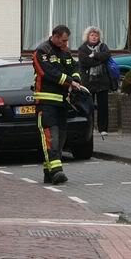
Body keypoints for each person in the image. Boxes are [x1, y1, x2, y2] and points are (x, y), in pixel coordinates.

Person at [33, 24, 83, 185]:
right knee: (51, 137)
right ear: (54, 36)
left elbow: (74, 66)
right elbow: (47, 73)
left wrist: (76, 79)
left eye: (67, 41)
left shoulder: (66, 52)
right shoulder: (42, 52)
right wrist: (69, 81)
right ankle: (56, 171)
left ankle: (49, 172)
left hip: (62, 102)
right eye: (63, 40)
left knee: (60, 138)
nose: (65, 44)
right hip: (46, 103)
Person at [77, 26, 116, 139]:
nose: (94, 37)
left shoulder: (103, 46)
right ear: (87, 36)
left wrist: (94, 55)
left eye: (96, 35)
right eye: (92, 35)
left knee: (103, 106)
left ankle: (103, 128)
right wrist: (99, 61)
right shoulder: (82, 48)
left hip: (102, 82)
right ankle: (90, 127)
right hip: (88, 82)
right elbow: (84, 62)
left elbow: (106, 55)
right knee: (89, 106)